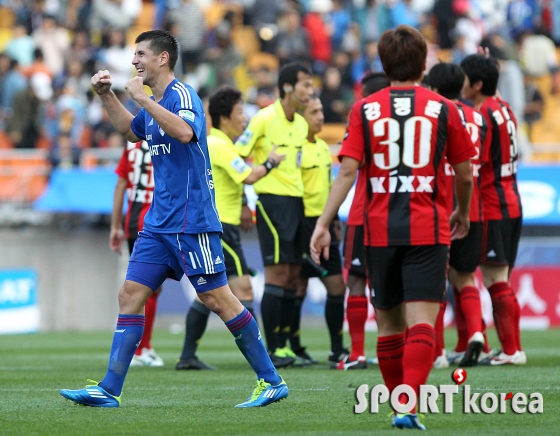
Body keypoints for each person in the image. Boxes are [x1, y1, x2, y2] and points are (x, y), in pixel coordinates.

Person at [60, 30, 288, 408]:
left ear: (162, 58)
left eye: (141, 54)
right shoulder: (155, 104)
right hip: (159, 222)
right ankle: (108, 388)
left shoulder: (182, 96)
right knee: (129, 295)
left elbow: (184, 132)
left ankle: (271, 380)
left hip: (190, 220)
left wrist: (142, 99)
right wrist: (107, 95)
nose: (135, 61)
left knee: (218, 298)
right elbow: (128, 131)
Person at [310, 25, 475, 430]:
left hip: (378, 229)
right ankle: (408, 405)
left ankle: (399, 401)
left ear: (383, 64)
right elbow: (466, 173)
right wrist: (464, 212)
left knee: (387, 325)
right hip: (428, 227)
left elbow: (348, 172)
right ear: (424, 64)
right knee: (421, 321)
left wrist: (323, 223)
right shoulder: (444, 108)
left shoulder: (364, 108)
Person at [176, 85, 285, 370]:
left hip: (224, 224)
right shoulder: (219, 145)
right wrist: (271, 162)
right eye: (240, 112)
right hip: (220, 226)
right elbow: (248, 176)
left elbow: (232, 184)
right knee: (244, 289)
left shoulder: (223, 145)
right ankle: (262, 357)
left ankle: (187, 356)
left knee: (209, 295)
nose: (245, 118)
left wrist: (245, 206)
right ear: (224, 117)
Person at [235, 62, 314, 368]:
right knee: (278, 274)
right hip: (271, 202)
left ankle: (287, 346)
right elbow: (238, 156)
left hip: (296, 203)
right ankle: (275, 347)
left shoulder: (302, 124)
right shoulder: (264, 119)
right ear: (288, 88)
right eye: (305, 84)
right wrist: (244, 200)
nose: (310, 90)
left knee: (294, 276)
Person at [460, 53, 525, 365]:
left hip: (492, 204)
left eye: (466, 78)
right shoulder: (504, 108)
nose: (461, 83)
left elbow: (477, 162)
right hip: (512, 200)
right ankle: (510, 348)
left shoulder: (482, 115)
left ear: (477, 84)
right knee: (501, 279)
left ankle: (512, 350)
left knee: (495, 280)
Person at [427, 62, 492, 367]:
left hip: (441, 204)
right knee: (465, 277)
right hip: (472, 205)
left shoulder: (433, 114)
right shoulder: (478, 118)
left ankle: (437, 351)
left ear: (434, 88)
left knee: (435, 279)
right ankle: (477, 333)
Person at [288, 97, 348, 368]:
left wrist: (332, 220)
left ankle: (337, 348)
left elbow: (330, 187)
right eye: (314, 112)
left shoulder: (324, 148)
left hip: (324, 225)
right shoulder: (295, 148)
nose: (321, 116)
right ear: (301, 116)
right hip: (302, 224)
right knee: (298, 286)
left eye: (322, 110)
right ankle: (294, 346)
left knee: (337, 286)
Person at [342, 71, 390, 369]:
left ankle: (357, 352)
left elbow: (349, 168)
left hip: (364, 212)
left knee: (357, 281)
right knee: (394, 285)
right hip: (401, 214)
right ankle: (398, 350)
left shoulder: (362, 117)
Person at [110, 139, 164, 367]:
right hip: (158, 220)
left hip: (134, 222)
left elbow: (121, 185)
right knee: (146, 289)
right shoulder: (165, 140)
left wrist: (115, 226)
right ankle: (140, 349)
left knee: (148, 287)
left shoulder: (132, 146)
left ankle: (145, 346)